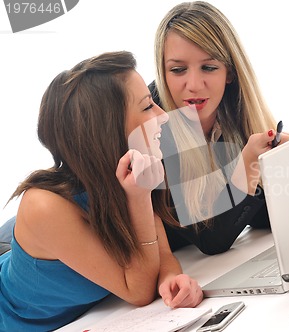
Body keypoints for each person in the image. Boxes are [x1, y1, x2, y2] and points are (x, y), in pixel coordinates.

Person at [0, 51, 203, 331]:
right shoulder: (43, 207)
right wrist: (139, 197)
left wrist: (171, 278)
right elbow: (138, 291)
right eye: (147, 107)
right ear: (106, 128)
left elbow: (161, 253)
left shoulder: (127, 171)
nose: (163, 115)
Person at [149, 1, 289, 255]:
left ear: (230, 72)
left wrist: (286, 174)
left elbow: (260, 217)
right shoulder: (152, 126)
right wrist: (248, 166)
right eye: (178, 70)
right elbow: (210, 240)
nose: (193, 84)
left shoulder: (234, 110)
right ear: (163, 72)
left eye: (209, 67)